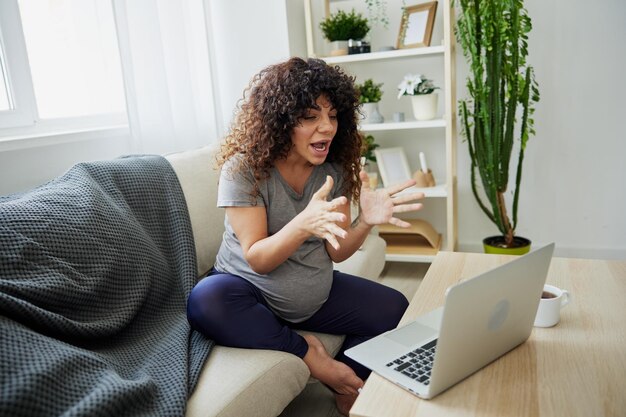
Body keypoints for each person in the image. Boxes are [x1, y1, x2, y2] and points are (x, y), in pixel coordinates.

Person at [187, 57, 423, 415]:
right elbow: (257, 257)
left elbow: (338, 251)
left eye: (332, 115)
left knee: (396, 309)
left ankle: (348, 384)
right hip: (249, 291)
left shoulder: (334, 170)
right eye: (310, 117)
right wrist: (303, 223)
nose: (326, 128)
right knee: (206, 300)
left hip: (314, 292)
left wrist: (365, 222)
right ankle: (308, 353)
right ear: (281, 122)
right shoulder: (244, 169)